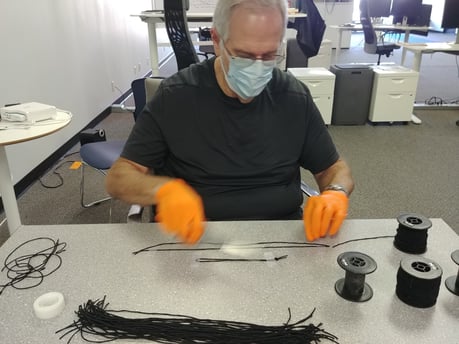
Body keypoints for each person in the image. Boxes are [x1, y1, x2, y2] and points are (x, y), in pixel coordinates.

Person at [105, 0, 354, 244]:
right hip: (195, 238)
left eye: (269, 55)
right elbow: (119, 178)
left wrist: (336, 192)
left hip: (280, 239)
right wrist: (163, 191)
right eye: (244, 55)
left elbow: (333, 169)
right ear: (216, 40)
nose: (257, 68)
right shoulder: (176, 96)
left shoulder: (293, 97)